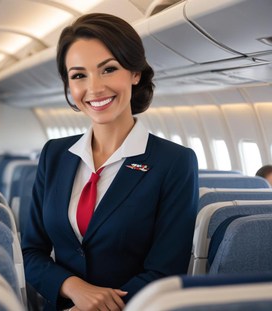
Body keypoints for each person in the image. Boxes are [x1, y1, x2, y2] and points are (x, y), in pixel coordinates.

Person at [22, 13, 198, 311]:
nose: (94, 88)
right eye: (79, 75)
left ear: (135, 73)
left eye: (108, 69)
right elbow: (31, 252)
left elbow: (165, 270)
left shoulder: (174, 162)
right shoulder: (54, 154)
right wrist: (75, 289)